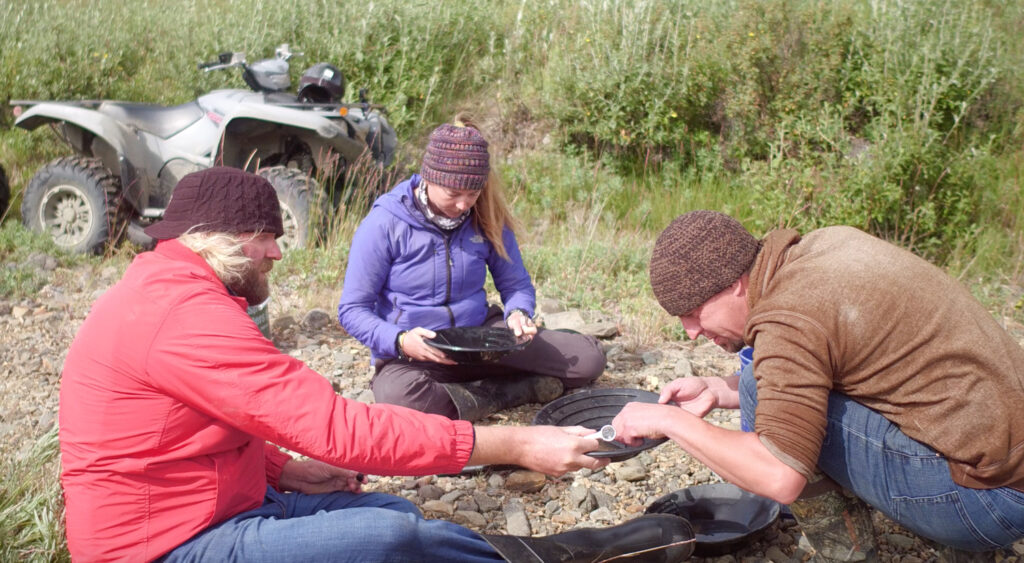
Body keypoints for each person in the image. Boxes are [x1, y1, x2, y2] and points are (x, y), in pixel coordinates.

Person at [58, 167, 695, 563]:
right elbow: (339, 426)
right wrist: (515, 443)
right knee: (394, 543)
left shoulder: (171, 290)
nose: (277, 252)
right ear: (220, 240)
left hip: (219, 503)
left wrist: (285, 469)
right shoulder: (182, 313)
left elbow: (202, 423)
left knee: (398, 516)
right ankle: (559, 555)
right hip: (163, 546)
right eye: (267, 237)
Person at [612, 210, 1024, 560]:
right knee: (756, 381)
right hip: (1007, 460)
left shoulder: (788, 317)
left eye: (694, 312)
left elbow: (779, 476)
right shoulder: (825, 246)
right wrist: (720, 389)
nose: (690, 332)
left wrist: (671, 422)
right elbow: (828, 362)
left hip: (991, 501)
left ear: (734, 283)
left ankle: (846, 553)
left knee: (761, 392)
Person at [337, 117, 606, 421]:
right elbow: (352, 310)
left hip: (481, 340)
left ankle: (472, 394)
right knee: (401, 402)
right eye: (453, 194)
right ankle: (512, 391)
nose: (464, 204)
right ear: (428, 178)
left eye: (473, 193)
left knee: (588, 360)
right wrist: (399, 340)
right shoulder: (385, 223)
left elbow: (515, 284)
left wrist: (518, 313)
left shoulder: (485, 214)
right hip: (417, 352)